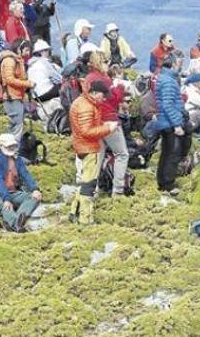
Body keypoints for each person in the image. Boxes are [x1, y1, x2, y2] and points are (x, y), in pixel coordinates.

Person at [68, 80, 118, 223]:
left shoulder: (82, 102)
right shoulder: (87, 107)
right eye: (103, 96)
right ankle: (85, 218)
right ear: (95, 92)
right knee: (89, 184)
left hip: (81, 145)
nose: (104, 99)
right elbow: (87, 131)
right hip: (89, 147)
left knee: (85, 181)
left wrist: (103, 125)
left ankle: (74, 211)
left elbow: (87, 126)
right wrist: (108, 128)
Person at [84, 52, 130, 195]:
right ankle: (118, 191)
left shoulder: (89, 78)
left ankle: (92, 190)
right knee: (122, 154)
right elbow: (114, 99)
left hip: (95, 120)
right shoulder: (104, 79)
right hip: (109, 119)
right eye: (106, 61)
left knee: (98, 154)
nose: (108, 64)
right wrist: (120, 86)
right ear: (100, 62)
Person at [0, 133, 41, 232]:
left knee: (33, 198)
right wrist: (6, 199)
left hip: (13, 192)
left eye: (13, 146)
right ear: (0, 146)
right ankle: (15, 223)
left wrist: (35, 189)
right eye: (9, 146)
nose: (12, 148)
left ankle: (16, 222)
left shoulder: (17, 159)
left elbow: (25, 174)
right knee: (4, 205)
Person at [154, 52, 189, 194]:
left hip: (164, 121)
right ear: (174, 63)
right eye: (180, 63)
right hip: (169, 123)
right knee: (172, 154)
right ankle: (168, 184)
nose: (181, 66)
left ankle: (162, 182)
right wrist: (177, 124)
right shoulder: (169, 81)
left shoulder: (164, 78)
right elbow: (168, 105)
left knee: (166, 153)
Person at [0, 48, 34, 142]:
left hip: (15, 96)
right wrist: (27, 84)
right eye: (26, 50)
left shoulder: (15, 60)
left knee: (15, 126)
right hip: (12, 97)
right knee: (16, 128)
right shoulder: (10, 60)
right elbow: (10, 80)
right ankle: (13, 151)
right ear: (19, 49)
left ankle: (12, 150)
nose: (28, 53)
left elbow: (22, 77)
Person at [27, 39, 62, 105]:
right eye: (46, 50)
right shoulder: (44, 62)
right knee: (65, 85)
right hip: (45, 93)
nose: (48, 52)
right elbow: (57, 78)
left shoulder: (30, 63)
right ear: (41, 52)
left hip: (35, 96)